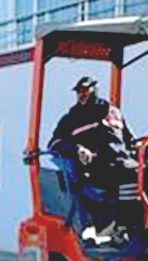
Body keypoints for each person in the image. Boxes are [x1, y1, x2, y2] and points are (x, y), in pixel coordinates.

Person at [48, 74, 137, 242]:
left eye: (85, 90)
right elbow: (54, 143)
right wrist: (77, 149)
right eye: (78, 91)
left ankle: (141, 227)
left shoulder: (113, 113)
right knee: (130, 173)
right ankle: (122, 227)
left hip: (122, 161)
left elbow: (129, 139)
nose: (81, 94)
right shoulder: (72, 118)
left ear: (94, 90)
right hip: (95, 169)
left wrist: (142, 148)